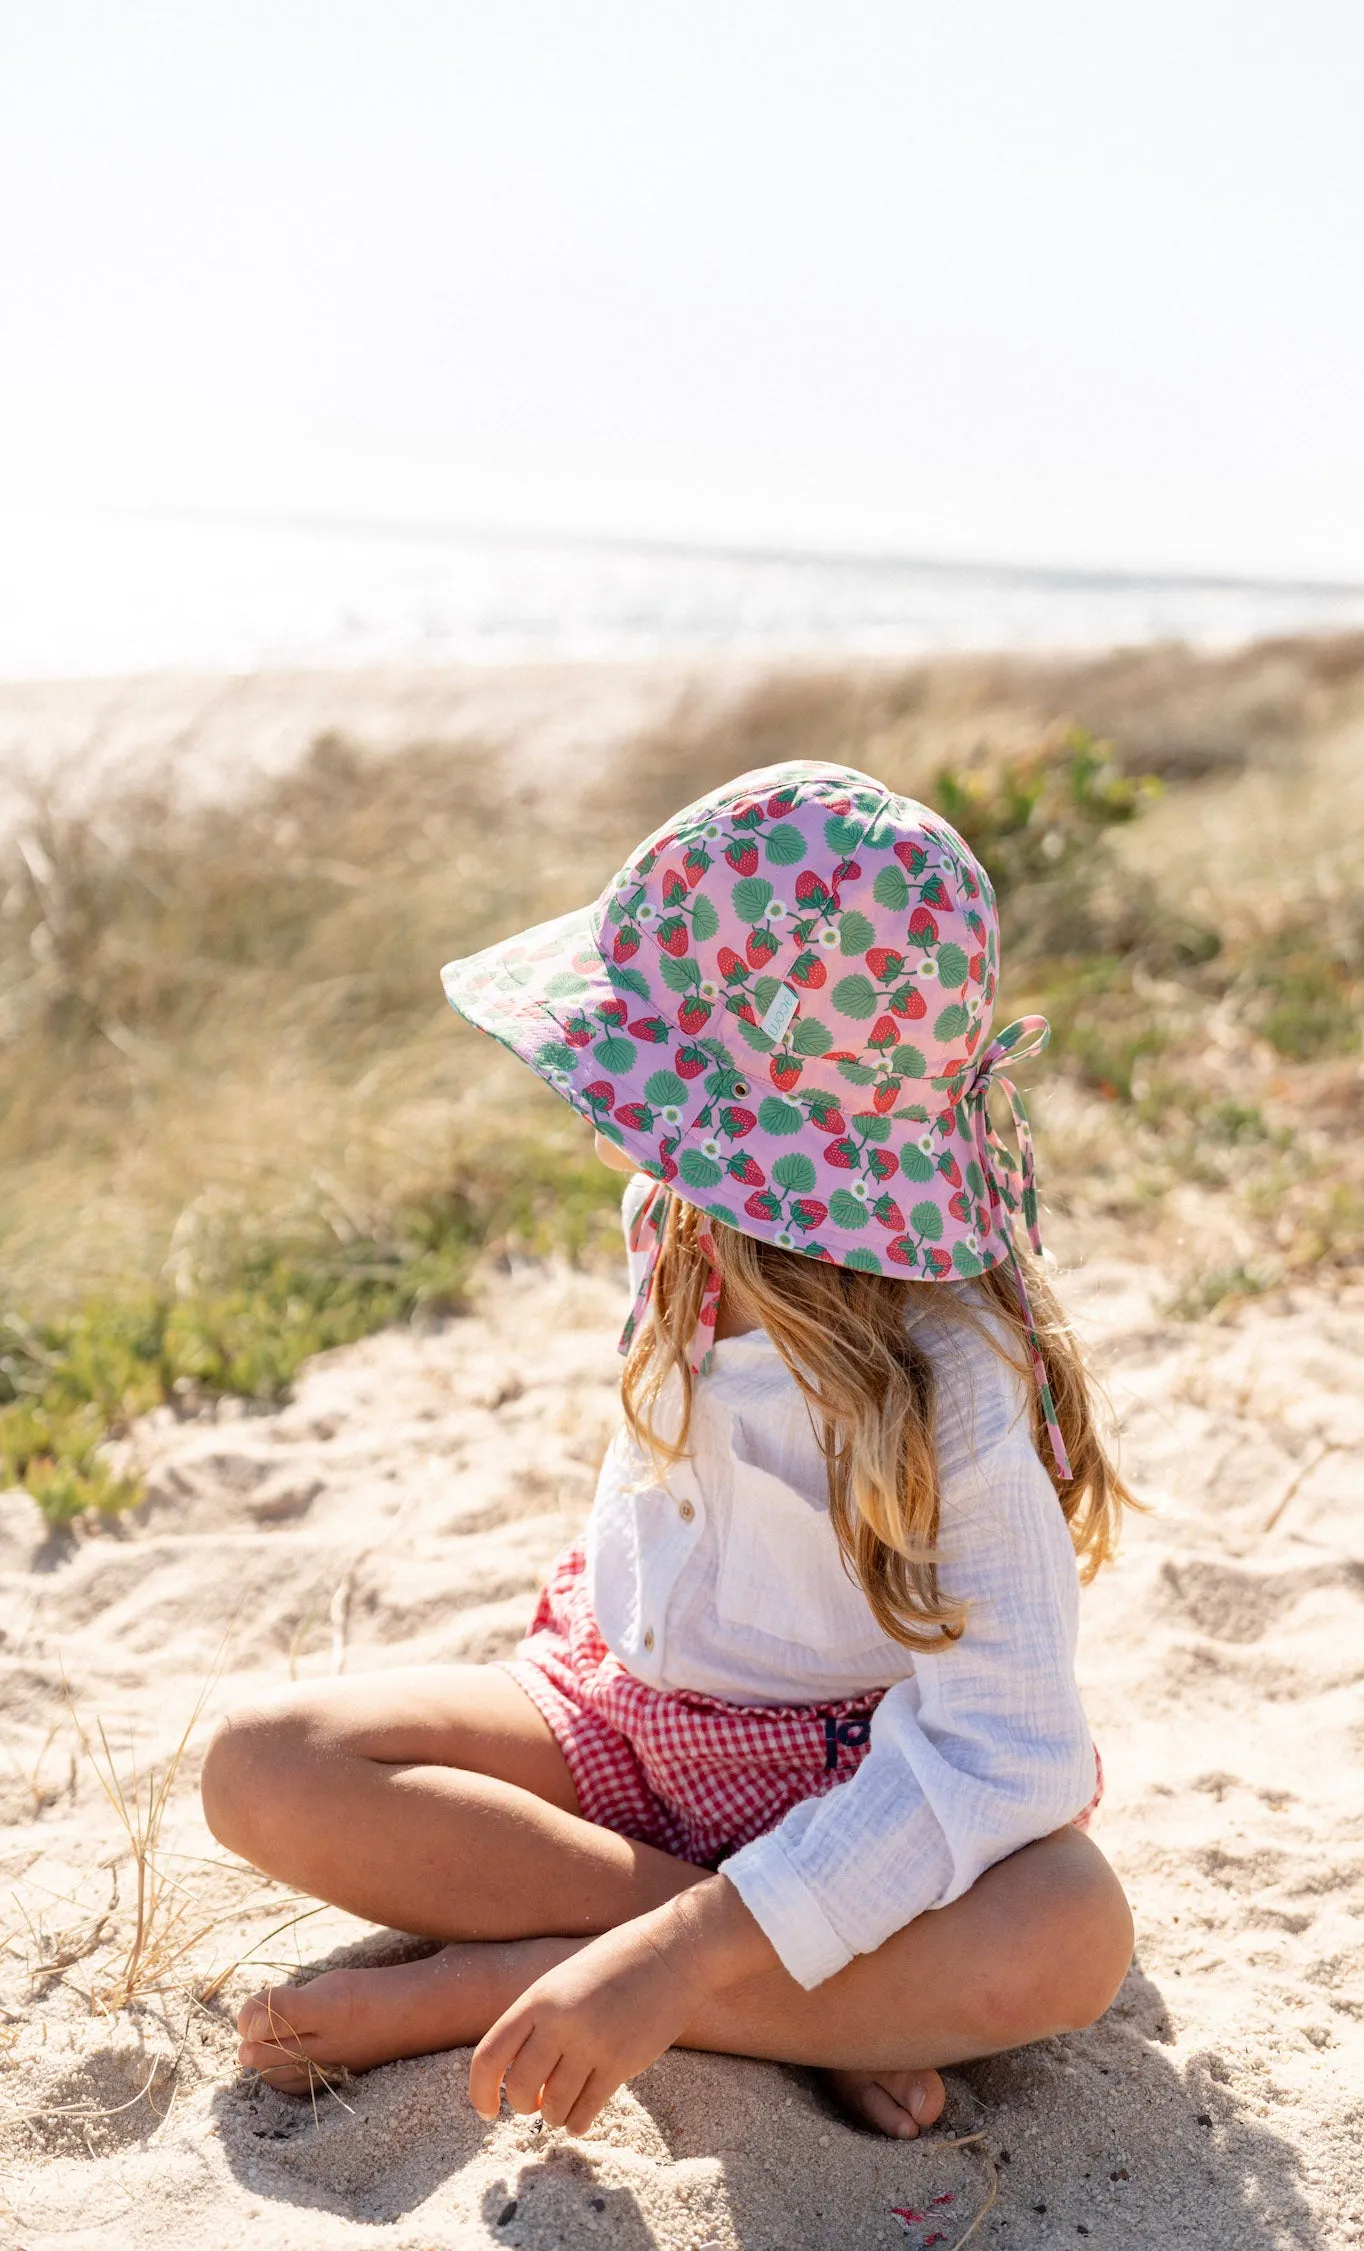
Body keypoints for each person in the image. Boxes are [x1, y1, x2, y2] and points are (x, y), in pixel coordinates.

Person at [202, 759, 1136, 2143]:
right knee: (261, 1762)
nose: (606, 1103)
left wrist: (679, 1953)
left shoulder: (953, 1369)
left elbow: (1009, 1747)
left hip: (845, 1772)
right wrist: (699, 1928)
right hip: (623, 1716)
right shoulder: (678, 1223)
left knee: (1073, 1930)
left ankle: (545, 1974)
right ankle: (803, 1988)